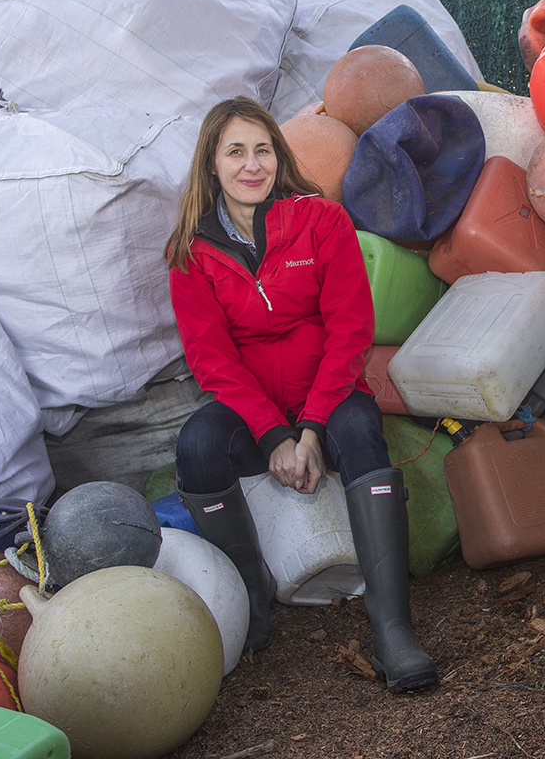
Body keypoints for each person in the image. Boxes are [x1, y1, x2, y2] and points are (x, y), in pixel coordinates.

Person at [164, 97, 438, 693]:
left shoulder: (323, 223)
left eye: (262, 150)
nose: (252, 164)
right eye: (235, 151)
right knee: (198, 447)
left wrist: (311, 429)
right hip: (252, 409)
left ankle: (393, 631)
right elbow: (212, 361)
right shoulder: (191, 253)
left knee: (363, 434)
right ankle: (251, 605)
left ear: (278, 156)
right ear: (212, 165)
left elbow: (350, 333)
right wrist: (275, 436)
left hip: (330, 395)